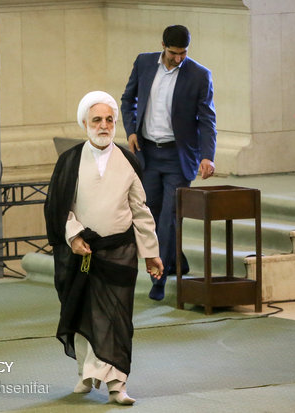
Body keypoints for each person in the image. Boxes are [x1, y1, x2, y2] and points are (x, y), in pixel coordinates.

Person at [44, 91, 164, 405]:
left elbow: (140, 210)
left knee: (118, 317)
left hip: (121, 252)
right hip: (84, 253)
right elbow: (60, 208)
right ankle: (86, 374)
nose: (104, 125)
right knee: (84, 312)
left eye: (109, 120)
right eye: (97, 120)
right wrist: (74, 237)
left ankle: (117, 385)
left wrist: (151, 252)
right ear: (85, 123)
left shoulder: (127, 160)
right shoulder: (69, 161)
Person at [121, 24, 217, 301]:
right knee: (150, 216)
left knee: (169, 218)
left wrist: (207, 156)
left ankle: (158, 279)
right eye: (174, 53)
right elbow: (128, 100)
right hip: (148, 155)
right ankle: (177, 261)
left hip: (178, 157)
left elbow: (207, 119)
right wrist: (130, 131)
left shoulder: (199, 75)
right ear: (162, 45)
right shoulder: (143, 63)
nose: (179, 58)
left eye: (184, 53)